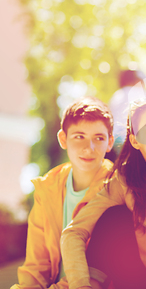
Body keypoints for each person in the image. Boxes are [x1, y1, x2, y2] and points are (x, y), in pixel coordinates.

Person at [60, 97, 146, 289]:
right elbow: (74, 233)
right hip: (145, 282)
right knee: (114, 218)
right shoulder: (124, 181)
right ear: (135, 141)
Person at [12, 97, 115, 289]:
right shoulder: (47, 189)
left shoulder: (116, 187)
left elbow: (98, 270)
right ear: (63, 139)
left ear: (110, 142)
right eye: (79, 136)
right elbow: (36, 266)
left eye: (99, 138)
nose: (89, 148)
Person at [108, 69, 146, 159]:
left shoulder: (116, 96)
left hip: (115, 142)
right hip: (131, 141)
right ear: (137, 80)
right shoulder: (139, 93)